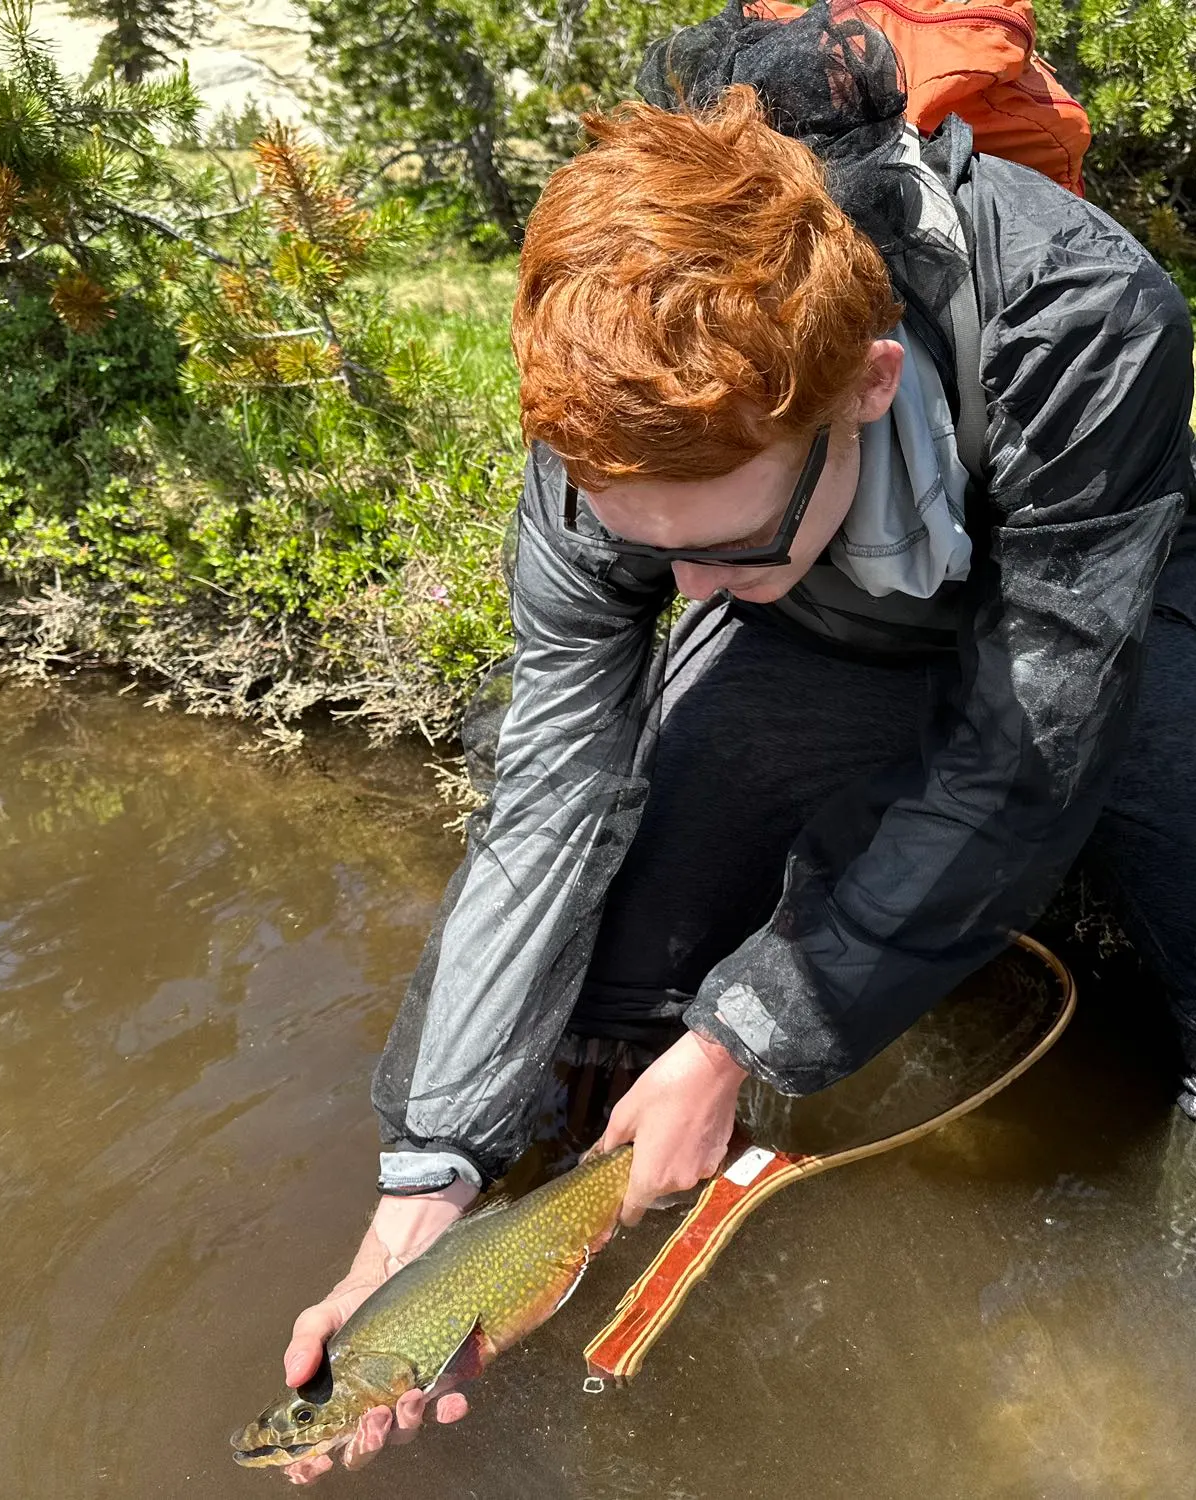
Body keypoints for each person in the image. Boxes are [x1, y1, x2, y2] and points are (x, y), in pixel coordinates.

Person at [278, 0, 1196, 1482]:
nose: (678, 597)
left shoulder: (1085, 317)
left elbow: (1029, 743)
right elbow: (553, 790)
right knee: (617, 952)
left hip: (1096, 614)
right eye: (644, 551)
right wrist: (431, 1169)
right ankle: (568, 1217)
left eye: (714, 545)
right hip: (834, 611)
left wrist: (747, 1031)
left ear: (870, 386)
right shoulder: (613, 415)